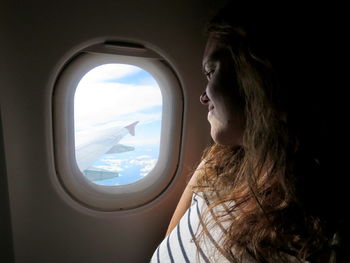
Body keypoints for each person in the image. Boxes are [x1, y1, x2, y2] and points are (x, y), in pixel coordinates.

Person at [151, 2, 347, 262]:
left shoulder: (319, 228)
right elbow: (171, 237)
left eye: (211, 72)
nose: (202, 96)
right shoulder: (218, 160)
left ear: (259, 77)